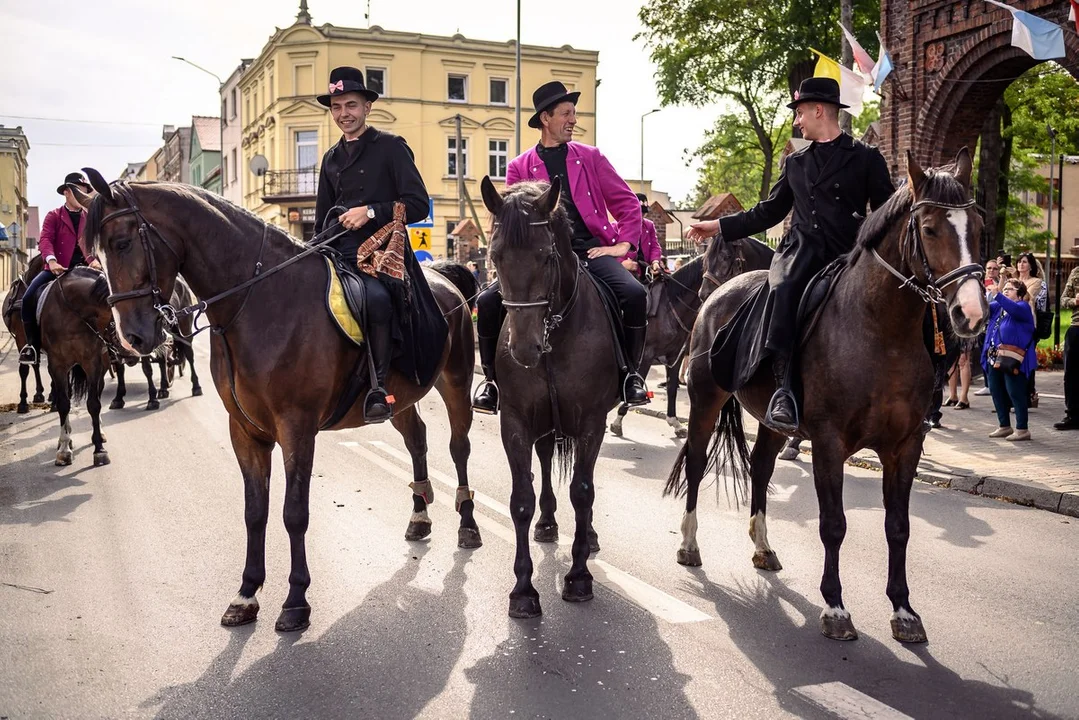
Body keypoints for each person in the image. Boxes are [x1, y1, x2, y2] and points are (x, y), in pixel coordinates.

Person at [686, 77, 894, 432]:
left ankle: (922, 389)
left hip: (848, 253)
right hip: (802, 252)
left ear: (818, 110)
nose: (797, 122)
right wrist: (719, 226)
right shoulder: (797, 163)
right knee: (783, 289)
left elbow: (886, 211)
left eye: (800, 113)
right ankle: (784, 391)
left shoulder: (866, 158)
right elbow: (765, 212)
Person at [472, 81, 649, 414]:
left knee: (635, 294)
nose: (573, 120)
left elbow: (627, 203)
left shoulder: (591, 158)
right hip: (539, 259)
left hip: (589, 253)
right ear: (546, 118)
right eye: (566, 113)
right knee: (487, 301)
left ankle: (631, 376)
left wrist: (623, 245)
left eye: (574, 114)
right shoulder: (519, 167)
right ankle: (492, 383)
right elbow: (513, 224)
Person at [313, 66, 444, 423]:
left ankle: (378, 388)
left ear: (367, 106)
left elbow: (418, 205)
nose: (344, 114)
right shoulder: (330, 159)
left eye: (351, 105)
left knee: (376, 299)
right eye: (337, 107)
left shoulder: (390, 147)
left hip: (382, 254)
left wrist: (371, 211)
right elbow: (322, 217)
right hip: (338, 251)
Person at [19, 172, 101, 365]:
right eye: (78, 191)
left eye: (85, 192)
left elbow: (93, 242)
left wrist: (94, 260)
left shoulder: (89, 218)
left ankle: (115, 345)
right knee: (28, 298)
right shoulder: (54, 216)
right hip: (58, 268)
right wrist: (52, 260)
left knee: (111, 295)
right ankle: (32, 346)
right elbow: (46, 240)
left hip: (86, 269)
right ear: (66, 192)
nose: (83, 195)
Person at [983, 277, 1036, 441]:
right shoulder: (999, 306)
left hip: (1013, 358)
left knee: (1015, 391)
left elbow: (1013, 309)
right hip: (995, 355)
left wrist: (998, 294)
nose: (1005, 290)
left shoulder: (1023, 306)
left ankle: (1022, 429)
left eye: (1010, 289)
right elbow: (984, 308)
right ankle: (1004, 426)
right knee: (996, 389)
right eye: (1004, 288)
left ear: (1019, 294)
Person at [1015, 252, 1045, 408]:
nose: (1021, 265)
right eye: (1019, 262)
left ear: (1031, 265)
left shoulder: (1036, 281)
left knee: (1026, 359)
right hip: (1011, 323)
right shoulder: (1013, 280)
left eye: (1024, 262)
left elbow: (1026, 297)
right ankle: (1011, 396)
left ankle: (1028, 394)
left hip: (1027, 323)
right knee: (1011, 358)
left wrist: (1014, 284)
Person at [1056, 265, 1079, 430]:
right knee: (1071, 374)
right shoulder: (1076, 272)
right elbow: (1063, 300)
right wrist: (1075, 301)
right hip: (1077, 327)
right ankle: (1073, 415)